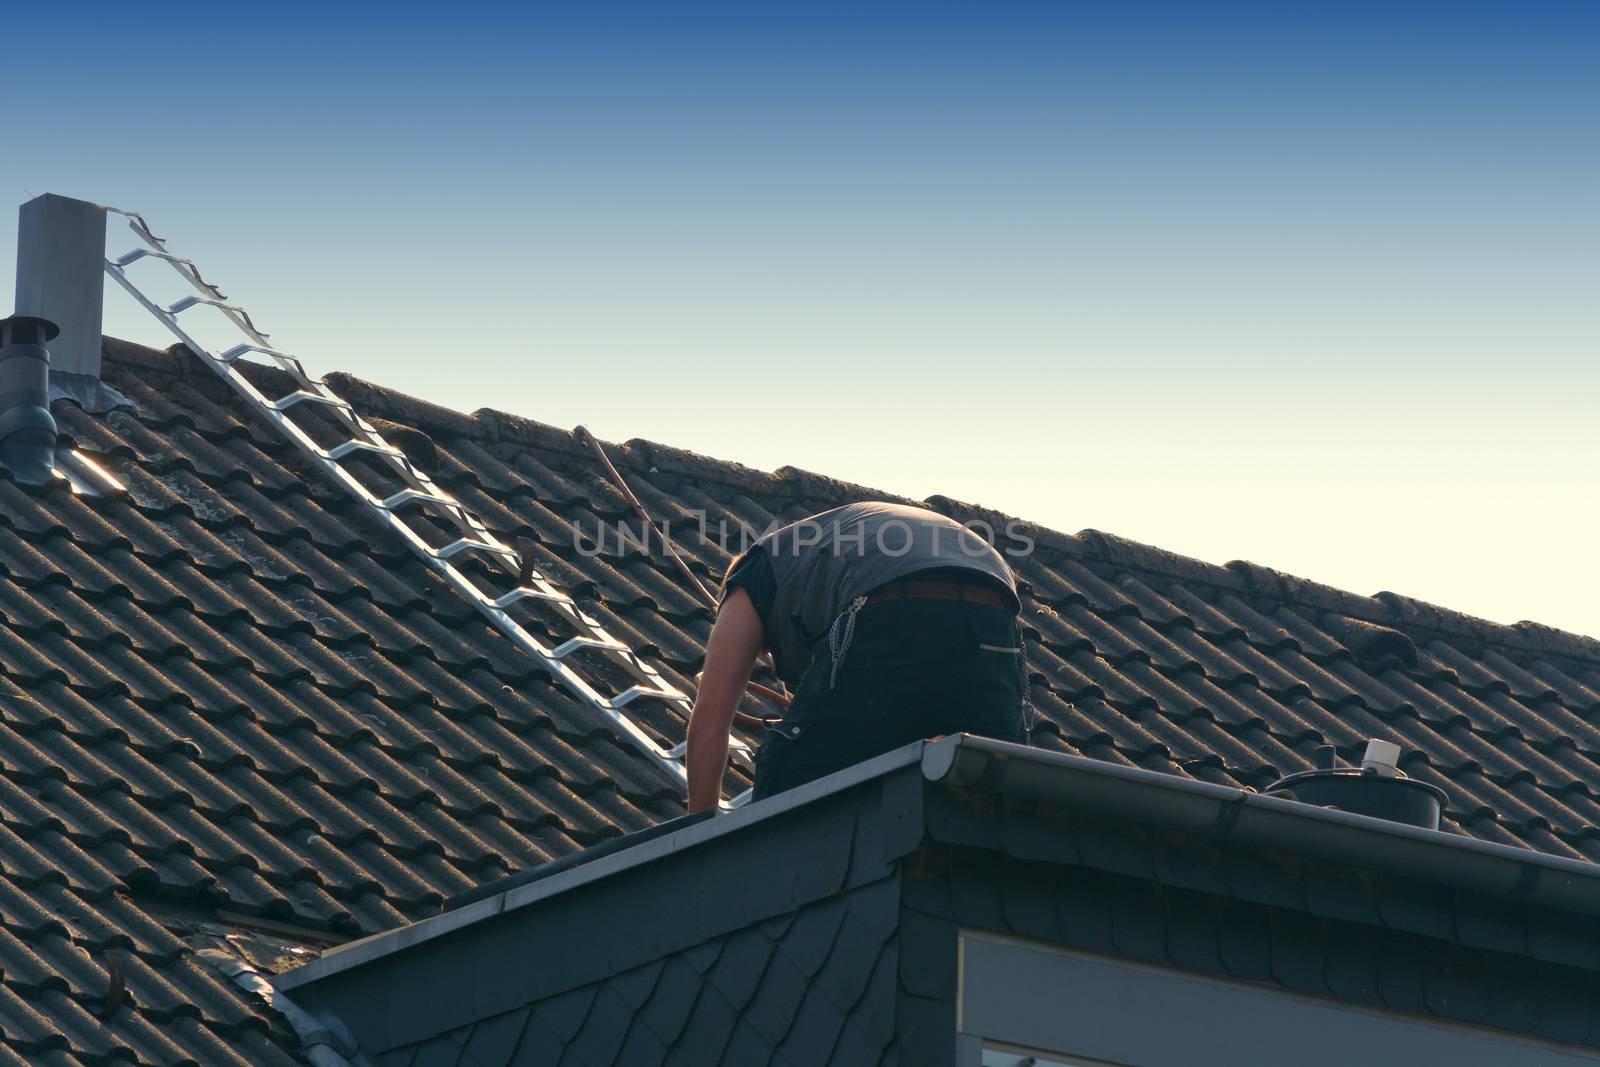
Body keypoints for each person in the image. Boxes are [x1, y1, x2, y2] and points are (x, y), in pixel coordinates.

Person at [686, 501, 1029, 812]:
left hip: (890, 598)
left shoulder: (753, 575)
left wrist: (699, 839)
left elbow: (711, 713)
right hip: (994, 615)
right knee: (983, 785)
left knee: (790, 778)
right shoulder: (812, 560)